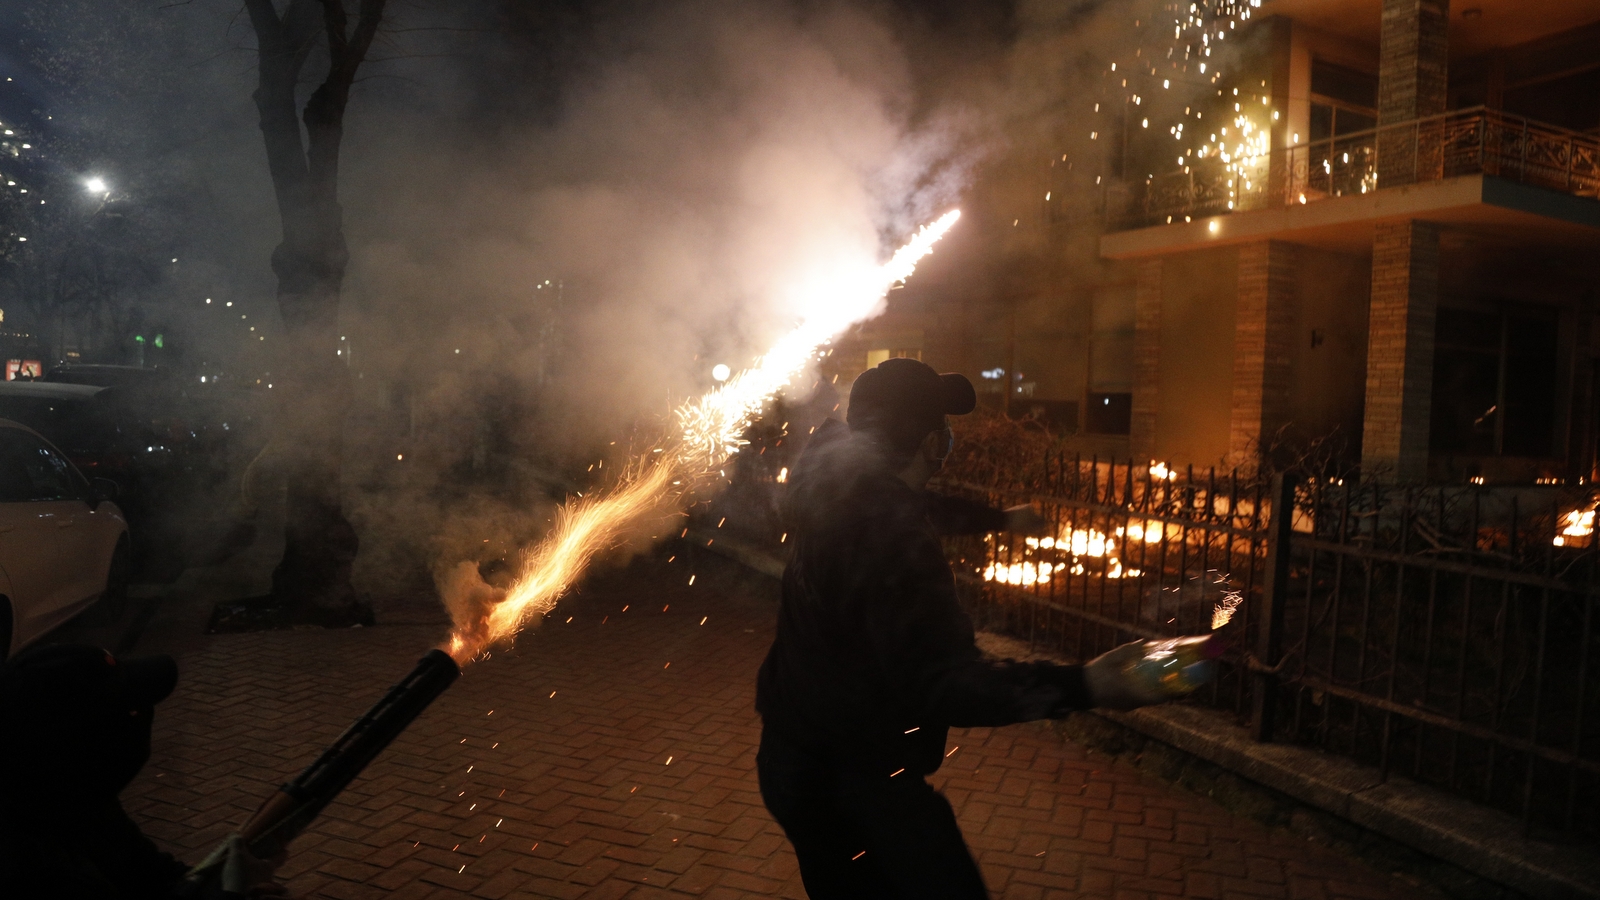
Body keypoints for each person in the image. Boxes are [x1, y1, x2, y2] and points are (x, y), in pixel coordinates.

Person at [755, 357, 1184, 899]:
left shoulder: (837, 488)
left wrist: (1000, 520)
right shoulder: (894, 540)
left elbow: (920, 504)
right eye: (945, 431)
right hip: (858, 783)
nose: (950, 440)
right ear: (933, 444)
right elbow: (945, 684)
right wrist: (1089, 684)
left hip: (790, 758)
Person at [0, 643, 291, 899]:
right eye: (130, 712)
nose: (142, 718)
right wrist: (230, 894)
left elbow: (149, 872)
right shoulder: (31, 866)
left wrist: (215, 881)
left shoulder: (76, 799)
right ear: (87, 742)